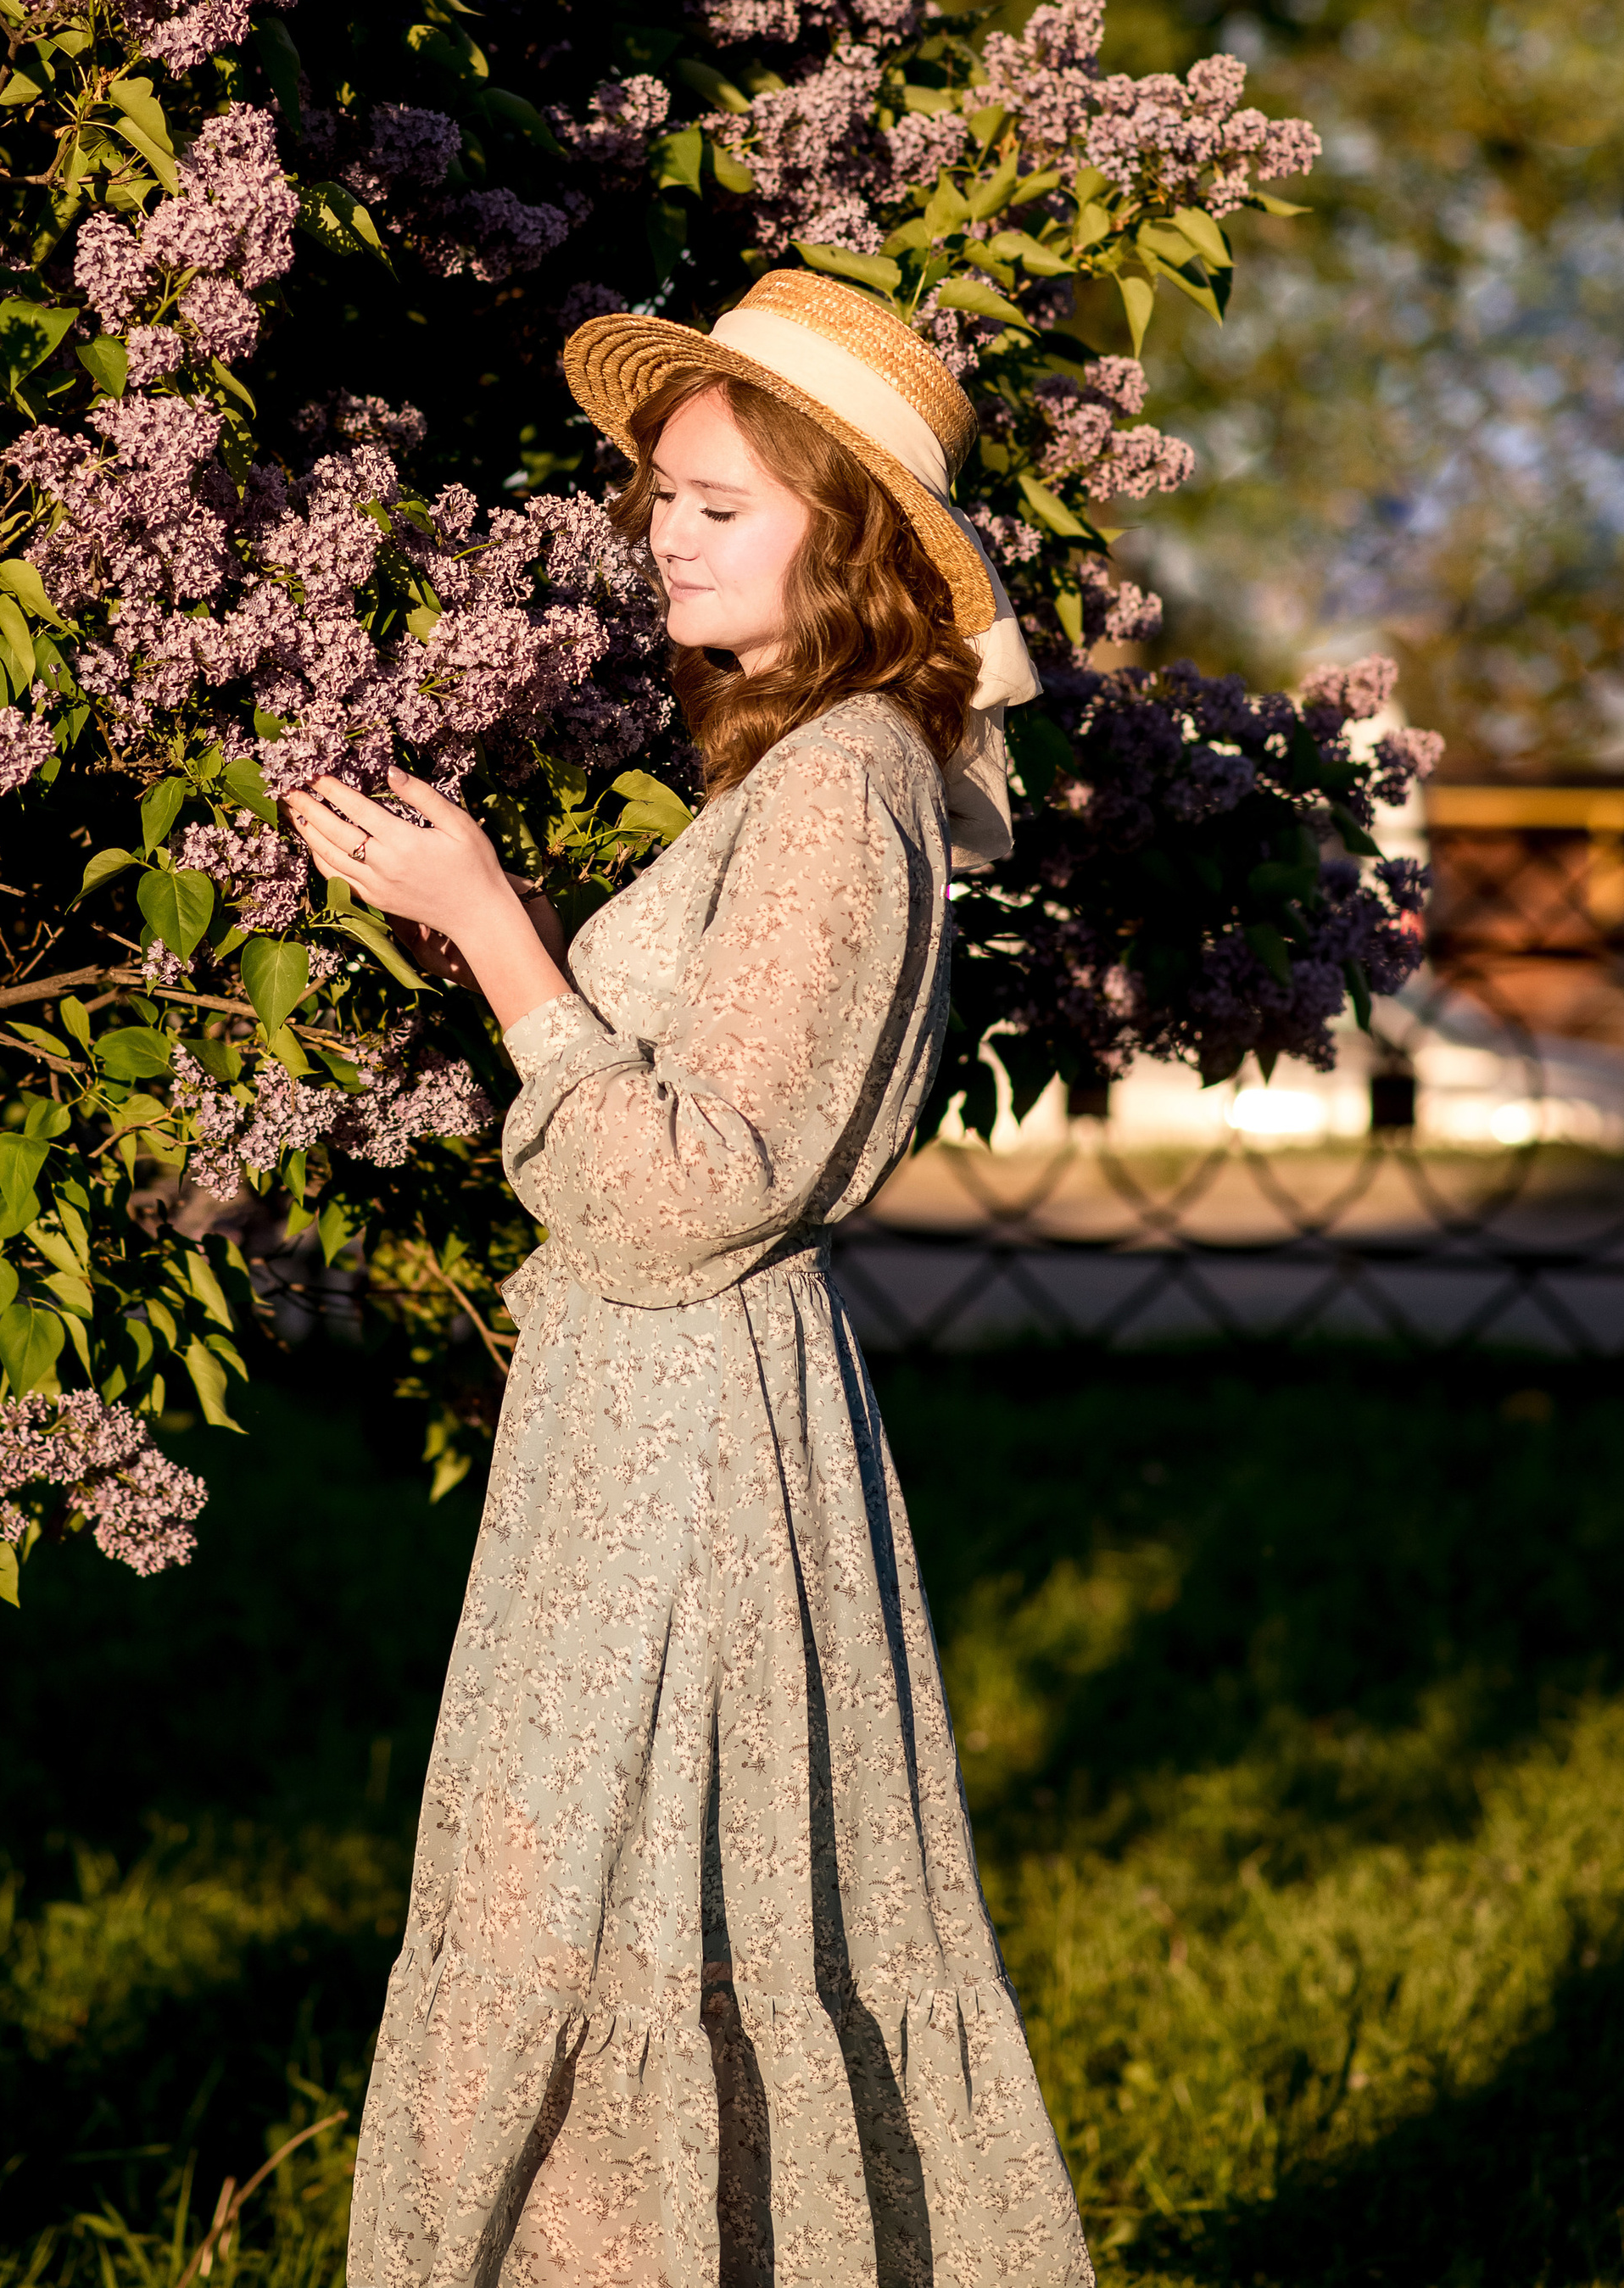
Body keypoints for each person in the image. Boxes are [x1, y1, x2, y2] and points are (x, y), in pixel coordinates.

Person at [286, 271, 1092, 2288]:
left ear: (850, 545)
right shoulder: (810, 770)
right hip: (646, 1417)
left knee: (629, 1915)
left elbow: (680, 1194)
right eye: (661, 496)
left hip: (688, 1437)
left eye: (718, 504)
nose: (662, 531)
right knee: (631, 1904)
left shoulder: (843, 788)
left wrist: (487, 929)